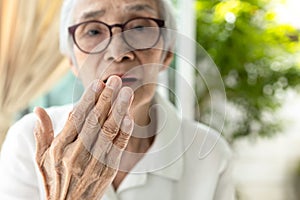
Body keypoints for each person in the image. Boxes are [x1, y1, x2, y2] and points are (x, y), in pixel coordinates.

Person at [0, 0, 235, 199]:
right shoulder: (28, 140)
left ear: (167, 53)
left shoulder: (210, 153)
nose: (118, 51)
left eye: (140, 27)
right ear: (72, 61)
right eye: (93, 31)